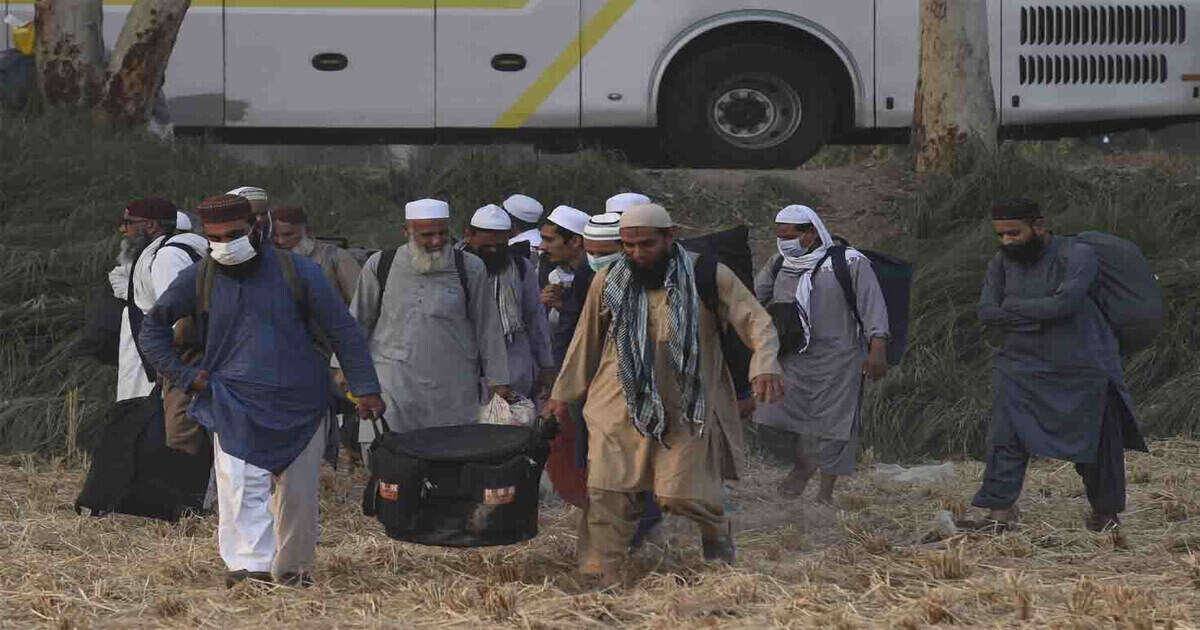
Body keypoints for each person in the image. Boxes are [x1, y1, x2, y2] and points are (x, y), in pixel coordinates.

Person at [139, 194, 384, 588]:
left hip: (300, 400)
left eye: (233, 234)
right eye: (214, 238)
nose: (224, 244)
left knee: (298, 499)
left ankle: (292, 573)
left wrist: (366, 388)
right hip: (232, 400)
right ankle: (248, 572)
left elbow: (345, 332)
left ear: (255, 228)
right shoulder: (200, 276)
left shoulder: (299, 271)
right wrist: (187, 377)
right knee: (239, 492)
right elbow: (152, 330)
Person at [545, 203, 783, 585]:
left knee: (680, 494)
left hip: (687, 403)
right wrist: (562, 394)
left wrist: (766, 364)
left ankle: (716, 528)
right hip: (617, 400)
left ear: (670, 236)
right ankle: (599, 576)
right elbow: (585, 340)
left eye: (646, 244)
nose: (637, 253)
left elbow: (757, 321)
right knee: (608, 492)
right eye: (628, 246)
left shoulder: (707, 273)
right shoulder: (609, 280)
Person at [972, 197, 1146, 531]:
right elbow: (986, 312)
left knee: (1098, 445)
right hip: (1019, 365)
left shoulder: (1077, 255)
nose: (1006, 242)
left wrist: (1012, 308)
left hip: (1082, 366)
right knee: (1006, 438)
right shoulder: (1000, 262)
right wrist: (1038, 310)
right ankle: (999, 514)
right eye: (1000, 235)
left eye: (1014, 233)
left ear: (1038, 227)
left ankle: (1105, 516)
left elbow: (1065, 305)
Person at [339, 199, 510, 440]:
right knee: (394, 462)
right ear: (406, 231)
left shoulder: (470, 267)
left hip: (454, 387)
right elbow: (357, 321)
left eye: (443, 233)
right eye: (427, 235)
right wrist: (345, 369)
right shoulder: (380, 264)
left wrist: (499, 379)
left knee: (452, 459)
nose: (437, 241)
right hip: (394, 384)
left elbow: (488, 327)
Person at [753, 205, 890, 505]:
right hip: (792, 359)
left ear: (811, 233)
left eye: (790, 236)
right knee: (772, 416)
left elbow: (872, 304)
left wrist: (877, 347)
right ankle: (803, 466)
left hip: (840, 360)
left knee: (836, 427)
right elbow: (751, 303)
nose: (784, 241)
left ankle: (824, 494)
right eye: (779, 236)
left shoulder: (849, 262)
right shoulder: (779, 263)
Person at [111, 197, 208, 406]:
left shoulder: (168, 256)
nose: (122, 229)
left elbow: (177, 319)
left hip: (169, 354)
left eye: (128, 222)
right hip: (151, 344)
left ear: (151, 225)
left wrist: (169, 366)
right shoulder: (156, 252)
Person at [461, 204, 554, 403]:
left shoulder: (520, 267)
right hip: (464, 363)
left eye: (499, 245)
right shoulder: (454, 269)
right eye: (486, 246)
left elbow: (535, 318)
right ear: (469, 236)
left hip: (514, 362)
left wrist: (546, 365)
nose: (493, 251)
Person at [271, 205, 362, 305]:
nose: (281, 241)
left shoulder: (335, 257)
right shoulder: (269, 261)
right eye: (275, 235)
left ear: (305, 230)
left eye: (288, 234)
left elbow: (360, 303)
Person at [537, 205, 591, 367]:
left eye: (549, 240)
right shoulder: (555, 273)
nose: (541, 246)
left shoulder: (593, 276)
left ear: (575, 241)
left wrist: (564, 305)